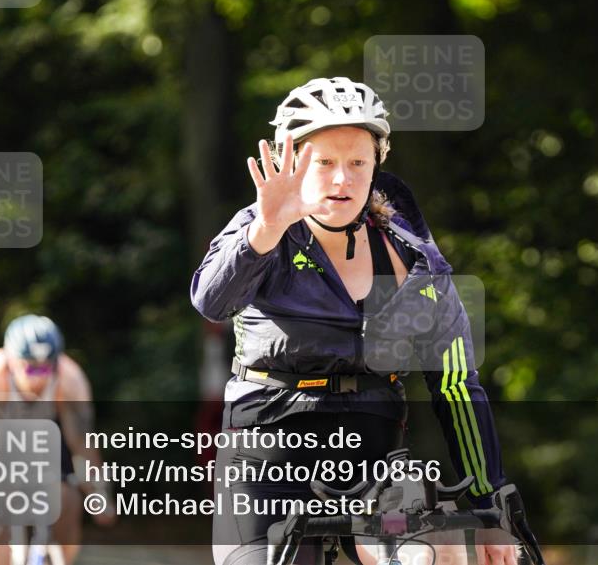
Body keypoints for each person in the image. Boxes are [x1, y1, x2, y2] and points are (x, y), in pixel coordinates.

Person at [191, 77, 525, 565]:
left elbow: (456, 387)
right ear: (292, 160)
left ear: (378, 163)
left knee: (437, 553)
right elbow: (210, 301)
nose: (342, 180)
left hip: (371, 452)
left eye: (357, 163)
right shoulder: (259, 224)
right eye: (323, 162)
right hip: (267, 443)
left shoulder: (415, 259)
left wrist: (489, 505)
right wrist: (265, 230)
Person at [0, 314, 115, 565]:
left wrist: (100, 494)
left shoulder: (70, 379)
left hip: (49, 439)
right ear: (12, 361)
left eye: (45, 367)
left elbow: (83, 446)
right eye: (30, 367)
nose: (38, 377)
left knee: (68, 500)